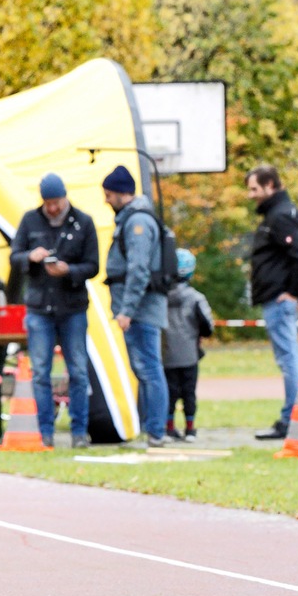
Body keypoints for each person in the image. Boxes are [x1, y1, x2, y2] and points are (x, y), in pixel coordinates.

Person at [9, 173, 100, 449]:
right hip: (39, 308)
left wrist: (68, 271)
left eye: (56, 202)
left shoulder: (84, 222)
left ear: (65, 197)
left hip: (72, 308)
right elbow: (14, 256)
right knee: (41, 373)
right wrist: (30, 257)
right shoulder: (29, 220)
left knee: (78, 371)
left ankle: (79, 432)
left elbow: (93, 265)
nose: (52, 208)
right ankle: (45, 432)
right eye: (47, 203)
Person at [102, 164, 168, 448]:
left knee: (149, 369)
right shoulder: (132, 219)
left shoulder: (137, 223)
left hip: (141, 311)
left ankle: (156, 431)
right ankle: (151, 429)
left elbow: (139, 268)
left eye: (108, 194)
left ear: (120, 193)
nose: (106, 200)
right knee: (144, 369)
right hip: (139, 309)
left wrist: (127, 309)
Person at [245, 164, 298, 440]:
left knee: (288, 360)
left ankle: (293, 420)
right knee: (287, 359)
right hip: (275, 298)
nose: (250, 195)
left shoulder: (281, 216)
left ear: (270, 185)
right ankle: (292, 418)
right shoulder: (276, 214)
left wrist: (293, 293)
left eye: (254, 189)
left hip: (279, 300)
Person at [163, 249, 214, 442]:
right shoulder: (196, 298)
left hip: (166, 355)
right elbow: (207, 326)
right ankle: (190, 429)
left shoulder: (161, 297)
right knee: (189, 394)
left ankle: (168, 428)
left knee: (170, 392)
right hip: (189, 354)